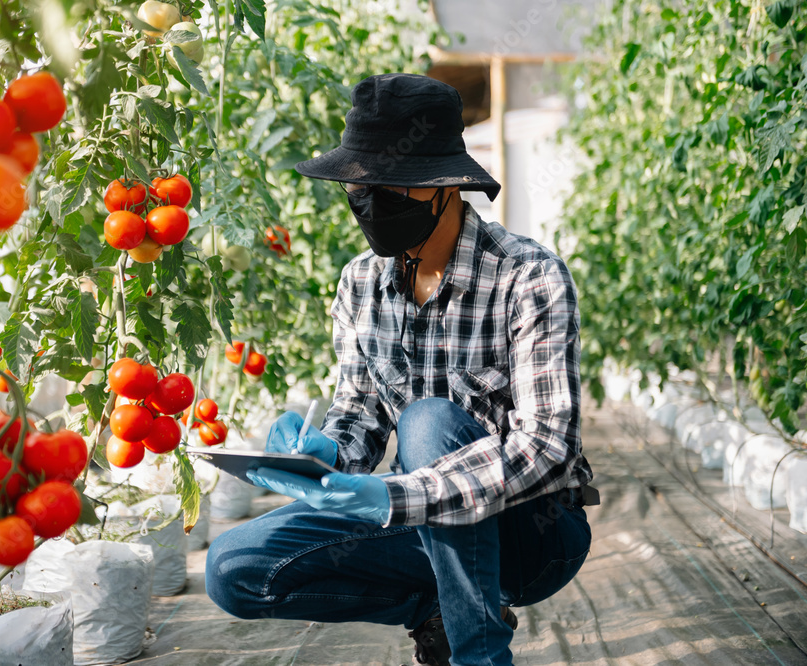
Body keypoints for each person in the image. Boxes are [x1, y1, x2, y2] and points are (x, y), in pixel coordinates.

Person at [204, 73, 598, 666]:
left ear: (444, 188)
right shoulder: (360, 284)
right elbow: (359, 416)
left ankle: (479, 654)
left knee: (428, 422)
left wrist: (399, 495)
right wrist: (323, 457)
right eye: (358, 191)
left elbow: (547, 448)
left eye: (390, 190)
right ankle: (436, 609)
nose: (369, 204)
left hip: (531, 536)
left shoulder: (529, 276)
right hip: (422, 523)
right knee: (233, 568)